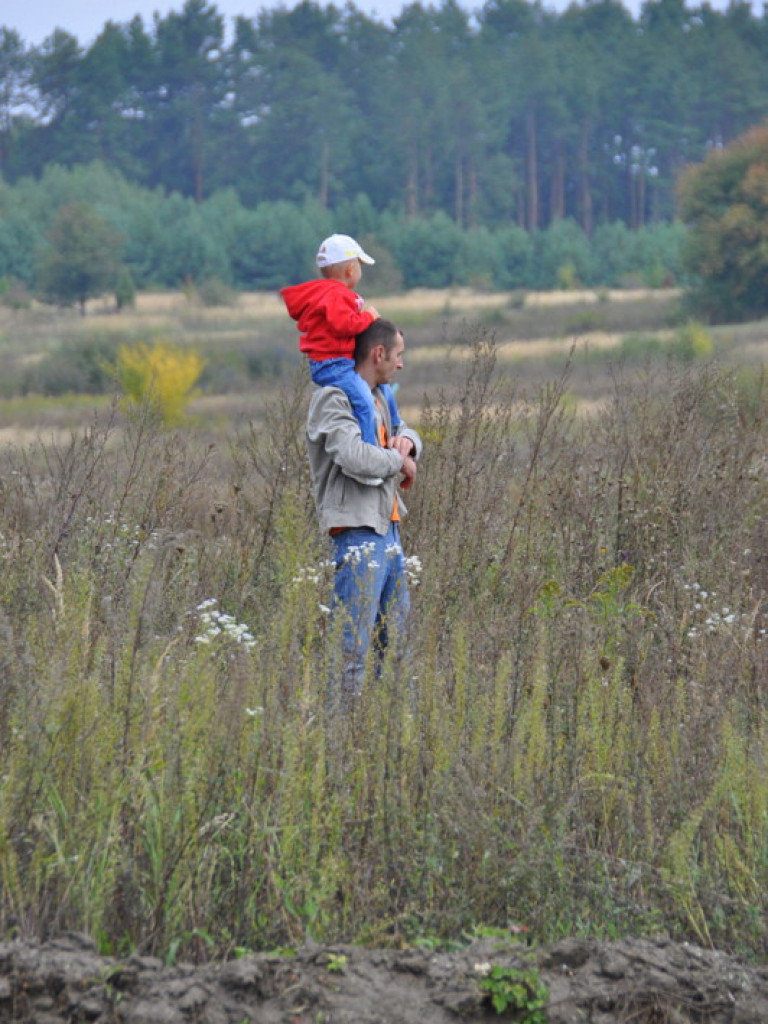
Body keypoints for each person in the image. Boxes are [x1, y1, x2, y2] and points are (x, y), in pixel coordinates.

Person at [306, 318, 422, 707]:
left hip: (389, 531)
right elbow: (354, 457)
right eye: (398, 355)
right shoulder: (334, 399)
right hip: (356, 533)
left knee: (398, 654)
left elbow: (406, 431)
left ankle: (396, 736)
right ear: (378, 353)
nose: (401, 364)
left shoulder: (379, 397)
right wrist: (398, 460)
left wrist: (408, 444)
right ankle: (340, 736)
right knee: (350, 654)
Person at [281, 233, 400, 458]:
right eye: (360, 265)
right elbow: (345, 325)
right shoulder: (337, 295)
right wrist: (369, 317)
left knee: (383, 389)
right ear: (351, 269)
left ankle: (395, 430)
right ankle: (370, 453)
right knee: (365, 403)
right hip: (335, 365)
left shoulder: (324, 293)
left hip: (335, 363)